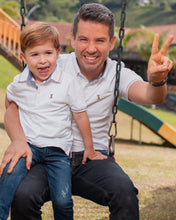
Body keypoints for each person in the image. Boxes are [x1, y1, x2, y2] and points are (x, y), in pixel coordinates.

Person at [0, 3, 174, 220]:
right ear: (72, 40)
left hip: (93, 159)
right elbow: (12, 106)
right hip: (49, 155)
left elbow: (151, 96)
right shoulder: (50, 63)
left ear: (111, 42)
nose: (91, 48)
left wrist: (157, 80)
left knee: (125, 194)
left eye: (99, 40)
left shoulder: (117, 73)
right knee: (22, 196)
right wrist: (18, 140)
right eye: (84, 39)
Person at [0, 21, 106, 220]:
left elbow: (81, 116)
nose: (42, 61)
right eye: (35, 54)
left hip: (58, 153)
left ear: (58, 53)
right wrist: (18, 136)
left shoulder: (67, 82)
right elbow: (10, 100)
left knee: (62, 200)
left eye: (48, 53)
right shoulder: (19, 83)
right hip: (29, 148)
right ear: (24, 57)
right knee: (7, 179)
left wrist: (89, 148)